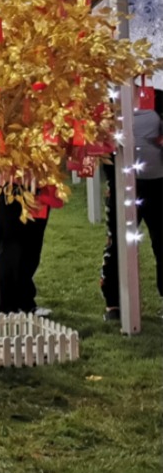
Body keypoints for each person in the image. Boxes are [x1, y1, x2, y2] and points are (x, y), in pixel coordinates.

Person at [101, 86, 163, 320]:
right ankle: (113, 302)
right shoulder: (109, 101)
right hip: (123, 184)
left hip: (158, 183)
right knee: (118, 242)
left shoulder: (157, 95)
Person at [0, 186, 51, 317]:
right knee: (10, 248)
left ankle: (25, 303)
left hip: (41, 187)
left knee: (32, 250)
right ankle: (4, 307)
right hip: (13, 187)